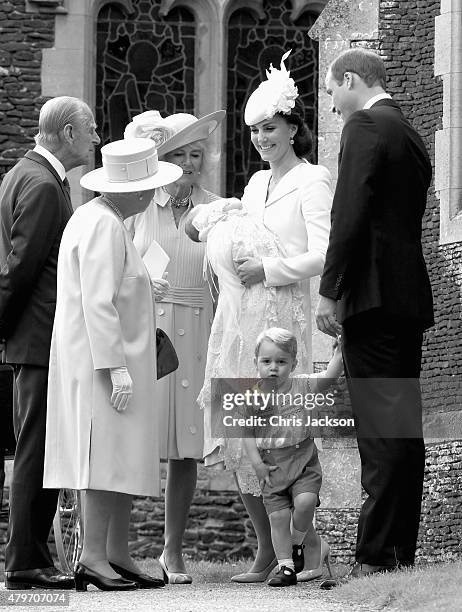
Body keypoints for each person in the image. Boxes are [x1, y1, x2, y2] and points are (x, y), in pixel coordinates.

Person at [187, 50, 332, 583]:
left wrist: (267, 269)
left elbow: (324, 252)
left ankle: (296, 551)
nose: (261, 139)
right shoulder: (252, 185)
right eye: (253, 132)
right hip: (241, 321)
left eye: (269, 129)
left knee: (280, 437)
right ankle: (265, 551)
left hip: (284, 320)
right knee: (239, 431)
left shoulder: (313, 179)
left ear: (292, 127)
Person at [316, 48, 434, 584]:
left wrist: (330, 289)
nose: (333, 102)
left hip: (372, 295)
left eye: (333, 89)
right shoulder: (408, 133)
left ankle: (374, 555)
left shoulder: (365, 125)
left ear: (352, 80)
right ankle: (398, 551)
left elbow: (350, 210)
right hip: (407, 296)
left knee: (380, 428)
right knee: (402, 425)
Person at [43, 138, 182, 591]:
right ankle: (95, 559)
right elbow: (97, 303)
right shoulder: (102, 224)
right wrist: (115, 367)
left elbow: (117, 288)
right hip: (103, 364)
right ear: (135, 191)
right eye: (150, 186)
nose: (153, 194)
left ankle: (117, 555)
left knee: (120, 457)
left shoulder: (102, 218)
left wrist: (144, 290)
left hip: (115, 359)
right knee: (101, 458)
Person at [0, 96, 100, 590]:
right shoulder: (41, 184)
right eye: (91, 130)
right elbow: (19, 271)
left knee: (37, 449)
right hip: (39, 339)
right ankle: (24, 564)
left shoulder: (28, 174)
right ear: (66, 133)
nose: (97, 139)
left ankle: (32, 558)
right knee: (35, 453)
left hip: (35, 338)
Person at [123, 108, 225, 584]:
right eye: (179, 153)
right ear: (163, 157)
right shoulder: (139, 206)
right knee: (135, 440)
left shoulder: (219, 207)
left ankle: (173, 551)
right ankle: (115, 548)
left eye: (196, 153)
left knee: (187, 449)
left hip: (201, 330)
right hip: (152, 332)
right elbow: (117, 268)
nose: (189, 162)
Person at [241, 327, 343, 587]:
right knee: (277, 517)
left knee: (306, 502)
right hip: (272, 466)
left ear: (294, 364)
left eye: (281, 362)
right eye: (266, 361)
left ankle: (296, 546)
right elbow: (247, 434)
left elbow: (330, 376)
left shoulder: (303, 385)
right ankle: (286, 567)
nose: (273, 368)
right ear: (256, 363)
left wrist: (340, 351)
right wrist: (257, 465)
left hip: (303, 460)